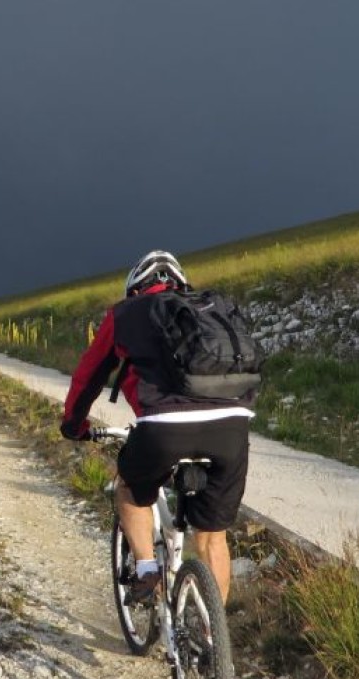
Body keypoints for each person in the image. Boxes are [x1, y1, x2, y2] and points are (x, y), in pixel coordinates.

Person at [60, 249, 256, 606]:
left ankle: (147, 570)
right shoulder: (212, 308)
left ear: (135, 288)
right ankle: (212, 639)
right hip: (233, 424)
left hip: (165, 427)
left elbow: (89, 375)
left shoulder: (126, 314)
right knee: (213, 538)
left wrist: (74, 425)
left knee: (130, 488)